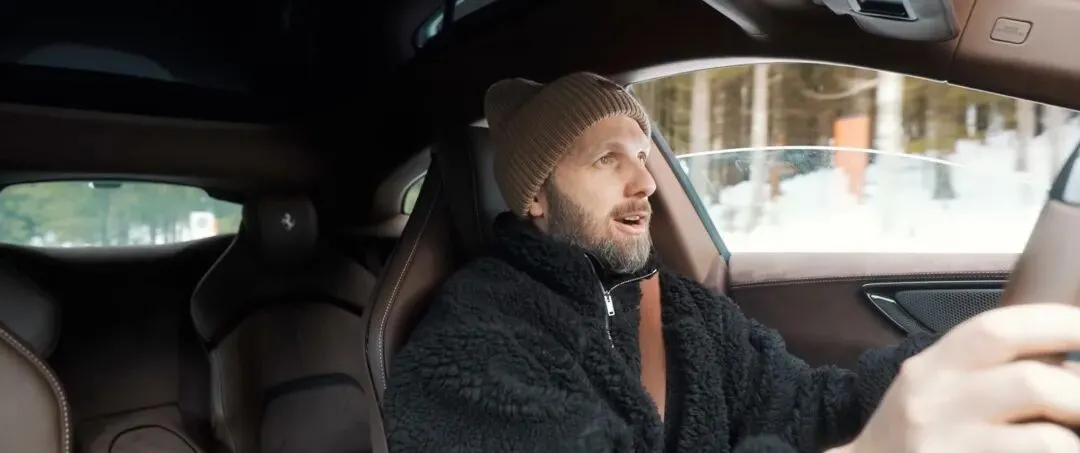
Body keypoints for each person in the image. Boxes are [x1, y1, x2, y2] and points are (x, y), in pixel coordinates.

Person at [382, 71, 1080, 452]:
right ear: (535, 196)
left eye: (643, 156)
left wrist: (959, 372)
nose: (645, 182)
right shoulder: (471, 343)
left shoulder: (688, 314)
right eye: (606, 160)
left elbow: (811, 408)